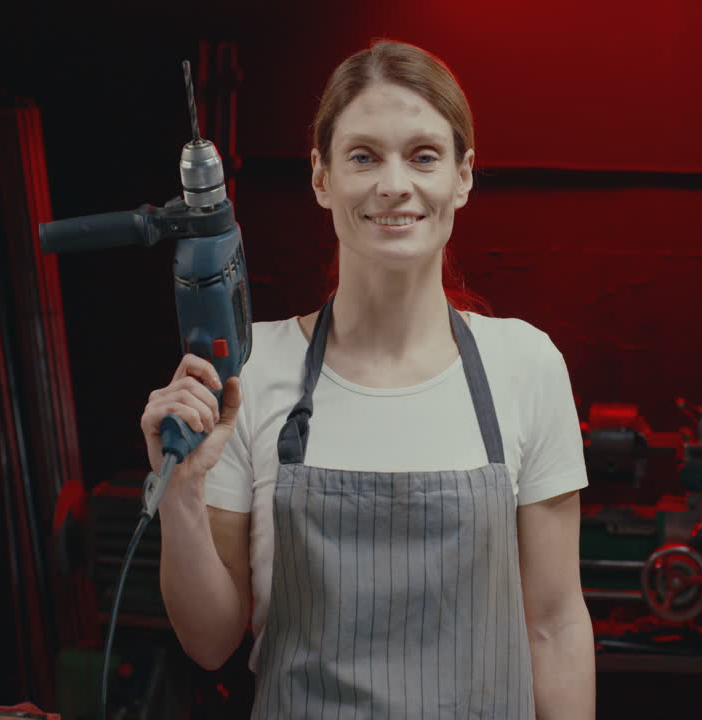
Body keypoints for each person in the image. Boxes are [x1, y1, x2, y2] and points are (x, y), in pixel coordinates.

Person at [142, 39, 595, 718]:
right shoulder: (251, 372)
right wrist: (179, 489)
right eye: (363, 156)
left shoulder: (525, 367)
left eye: (422, 156)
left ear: (463, 177)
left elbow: (555, 627)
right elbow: (209, 642)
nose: (393, 184)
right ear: (322, 178)